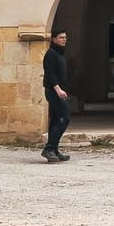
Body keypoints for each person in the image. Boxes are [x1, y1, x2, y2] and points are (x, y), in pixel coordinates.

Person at [41, 29, 71, 163]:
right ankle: (49, 148)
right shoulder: (51, 54)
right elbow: (50, 74)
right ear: (53, 39)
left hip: (58, 91)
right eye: (61, 37)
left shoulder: (58, 53)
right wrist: (58, 89)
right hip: (54, 91)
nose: (64, 39)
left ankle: (55, 150)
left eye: (65, 37)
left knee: (55, 119)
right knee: (64, 118)